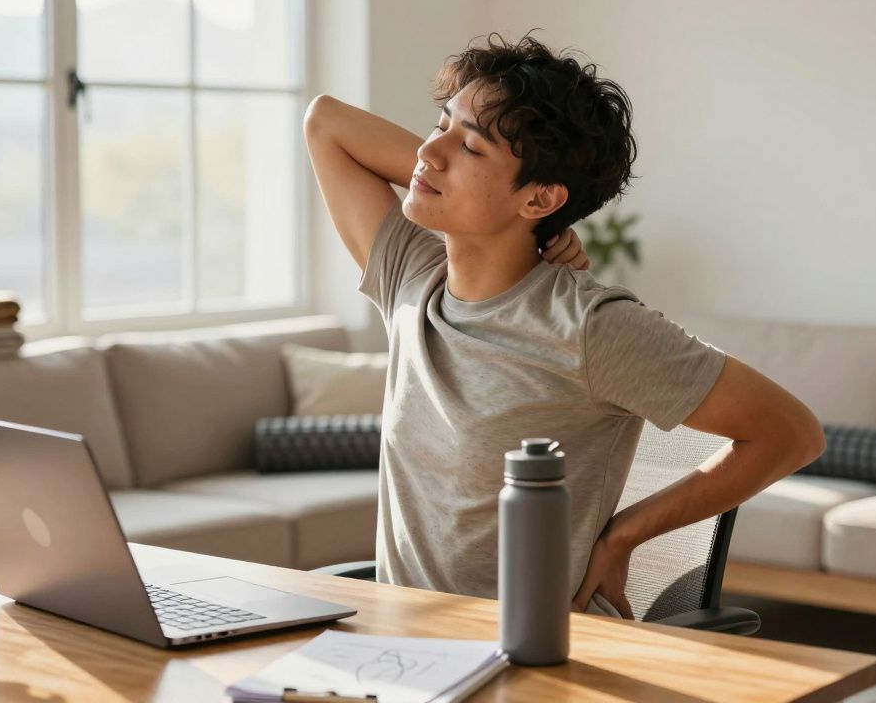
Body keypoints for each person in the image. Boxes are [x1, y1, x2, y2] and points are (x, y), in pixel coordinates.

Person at [302, 33, 825, 618]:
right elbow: (326, 123)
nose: (430, 151)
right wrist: (510, 204)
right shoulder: (410, 275)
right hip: (408, 656)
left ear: (541, 195)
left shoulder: (590, 327)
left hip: (538, 655)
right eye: (439, 124)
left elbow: (792, 433)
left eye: (471, 148)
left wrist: (624, 535)